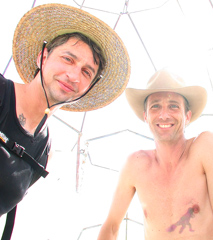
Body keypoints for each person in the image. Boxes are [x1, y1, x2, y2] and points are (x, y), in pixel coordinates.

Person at [0, 3, 130, 239]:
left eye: (86, 72)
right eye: (68, 59)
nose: (73, 75)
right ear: (43, 56)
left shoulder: (43, 152)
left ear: (89, 87)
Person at [98, 69, 213, 240]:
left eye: (173, 106)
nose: (164, 115)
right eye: (155, 106)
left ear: (188, 116)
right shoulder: (136, 164)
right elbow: (110, 227)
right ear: (146, 116)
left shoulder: (207, 146)